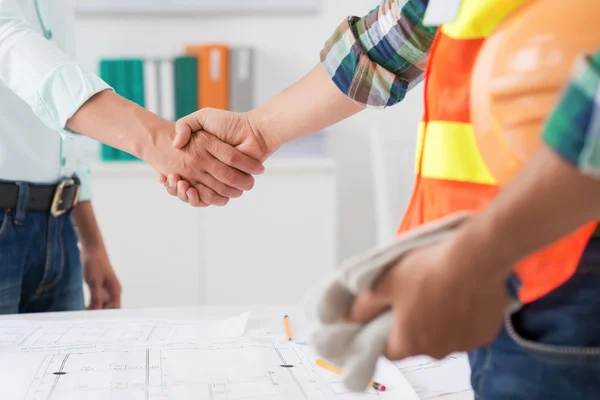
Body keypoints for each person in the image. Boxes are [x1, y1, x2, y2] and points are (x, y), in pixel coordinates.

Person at [160, 0, 600, 397]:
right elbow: (398, 35)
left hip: (569, 269)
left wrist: (471, 257)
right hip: (502, 272)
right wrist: (257, 130)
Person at [0, 0, 264, 314]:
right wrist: (160, 142)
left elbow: (63, 136)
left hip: (60, 231)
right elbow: (14, 49)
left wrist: (92, 243)